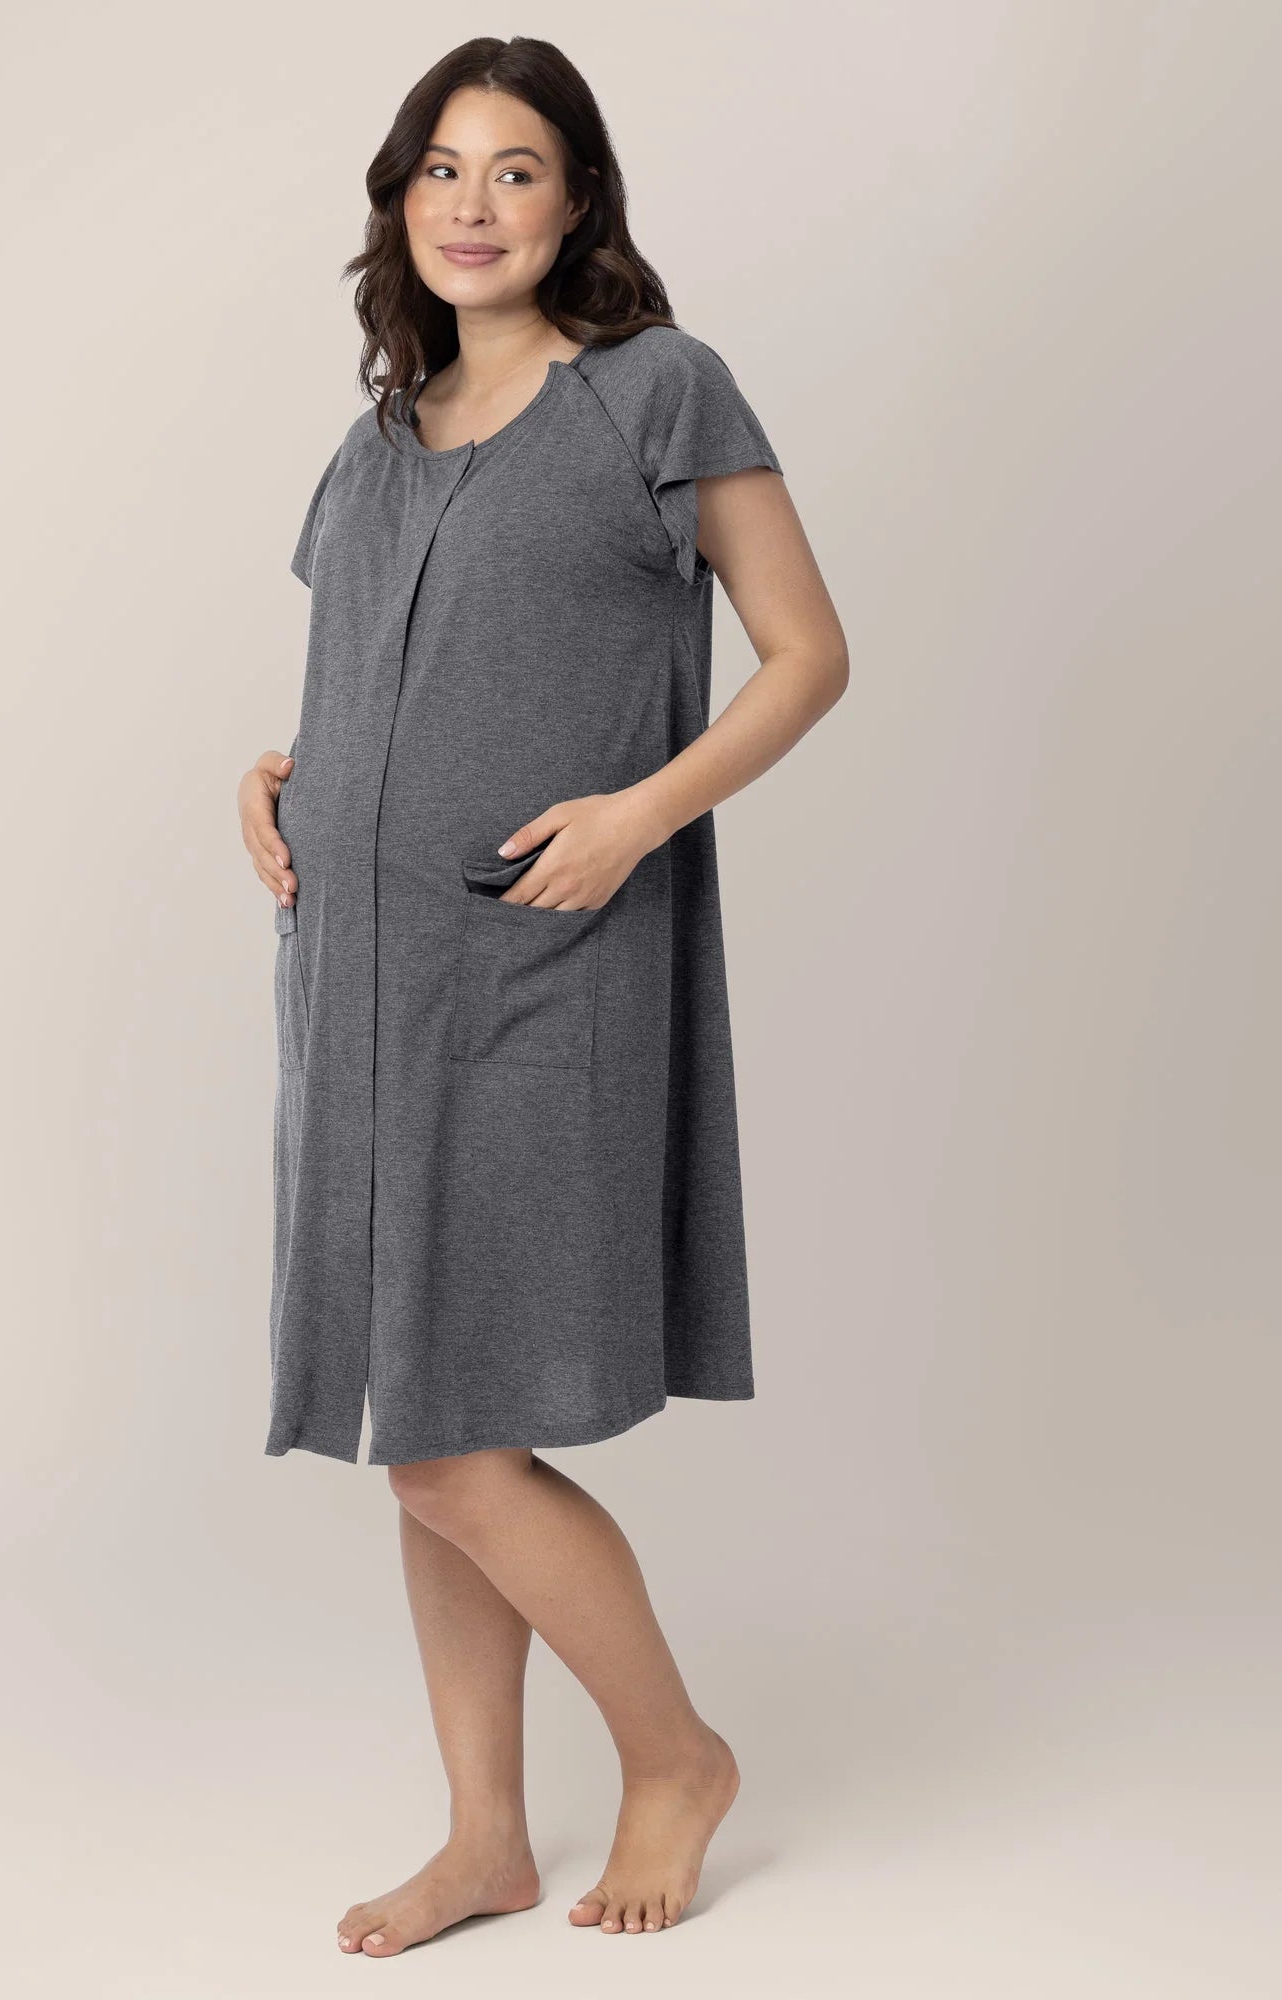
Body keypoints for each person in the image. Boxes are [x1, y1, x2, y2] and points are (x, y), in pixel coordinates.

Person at [235, 35, 848, 1959]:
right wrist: (274, 782)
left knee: (452, 1445)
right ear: (397, 202)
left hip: (541, 975)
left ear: (577, 198)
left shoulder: (657, 390)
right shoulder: (375, 439)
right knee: (426, 1424)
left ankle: (676, 1756)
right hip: (358, 986)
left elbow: (809, 652)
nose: (472, 204)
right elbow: (368, 693)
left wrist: (644, 812)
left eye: (514, 169)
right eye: (439, 168)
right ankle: (487, 1840)